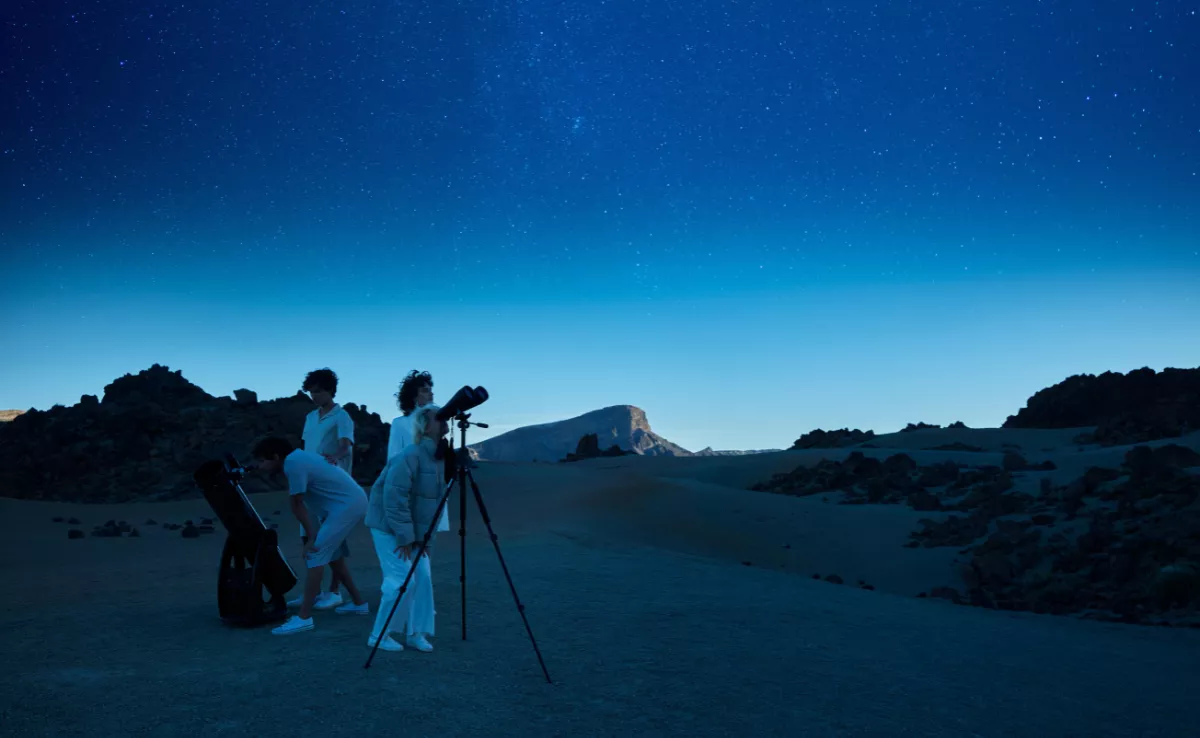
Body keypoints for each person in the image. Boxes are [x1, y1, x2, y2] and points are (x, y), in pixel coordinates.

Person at [252, 436, 371, 636]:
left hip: (346, 507)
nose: (259, 466)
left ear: (275, 456)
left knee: (315, 554)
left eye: (262, 461)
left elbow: (296, 504)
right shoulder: (298, 458)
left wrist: (311, 537)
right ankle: (359, 603)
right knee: (333, 556)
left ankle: (304, 618)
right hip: (342, 506)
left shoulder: (292, 464)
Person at [365, 404, 447, 652]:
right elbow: (394, 498)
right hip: (387, 527)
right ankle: (379, 635)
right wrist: (404, 537)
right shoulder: (410, 455)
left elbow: (432, 506)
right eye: (438, 417)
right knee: (401, 581)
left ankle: (416, 633)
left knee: (423, 577)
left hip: (410, 531)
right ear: (426, 426)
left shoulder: (438, 458)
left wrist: (424, 540)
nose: (444, 421)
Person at [290, 368, 356, 610]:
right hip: (309, 484)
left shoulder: (342, 416)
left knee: (333, 540)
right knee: (308, 536)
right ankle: (313, 591)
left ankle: (335, 591)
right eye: (311, 392)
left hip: (334, 487)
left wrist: (334, 456)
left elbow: (345, 445)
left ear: (330, 390)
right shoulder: (310, 417)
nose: (314, 395)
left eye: (319, 391)